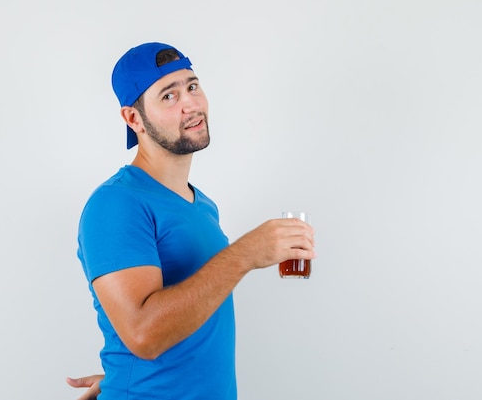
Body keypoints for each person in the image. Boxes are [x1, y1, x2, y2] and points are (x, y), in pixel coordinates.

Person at [68, 42, 315, 399]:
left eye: (192, 86)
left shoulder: (203, 206)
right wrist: (245, 254)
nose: (191, 104)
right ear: (133, 119)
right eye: (169, 96)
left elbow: (185, 319)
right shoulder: (116, 203)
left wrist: (117, 375)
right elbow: (143, 335)